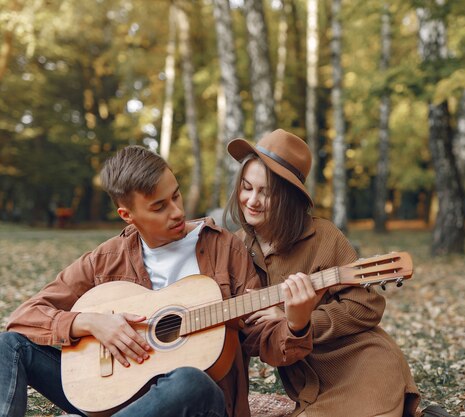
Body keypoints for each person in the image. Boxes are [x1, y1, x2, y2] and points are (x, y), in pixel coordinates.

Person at [0, 145, 316, 417]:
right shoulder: (107, 257)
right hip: (112, 398)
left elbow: (262, 337)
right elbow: (23, 319)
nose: (177, 212)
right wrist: (90, 323)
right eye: (159, 207)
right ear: (127, 215)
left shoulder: (224, 248)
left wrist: (297, 324)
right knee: (9, 346)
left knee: (189, 381)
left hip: (197, 404)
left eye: (176, 195)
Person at [224, 129, 425, 417]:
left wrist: (302, 320)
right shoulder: (237, 247)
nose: (252, 201)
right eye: (246, 187)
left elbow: (367, 306)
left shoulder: (324, 237)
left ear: (289, 198)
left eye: (265, 192)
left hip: (361, 364)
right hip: (305, 379)